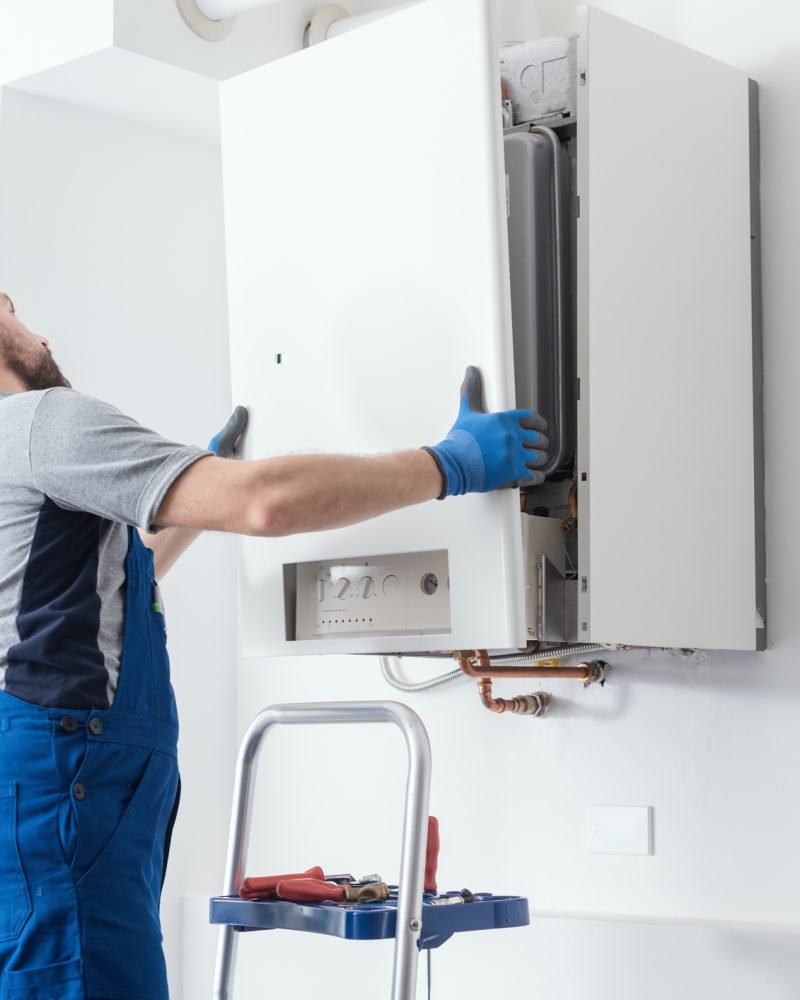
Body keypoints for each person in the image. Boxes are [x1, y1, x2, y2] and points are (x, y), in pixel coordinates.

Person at [0, 291, 548, 999]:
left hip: (36, 801)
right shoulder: (43, 422)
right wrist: (449, 465)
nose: (36, 326)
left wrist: (186, 491)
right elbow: (266, 503)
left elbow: (93, 592)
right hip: (63, 793)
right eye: (11, 310)